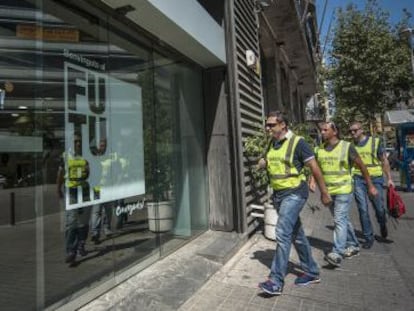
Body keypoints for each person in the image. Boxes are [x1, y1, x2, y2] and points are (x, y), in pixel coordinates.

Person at [258, 111, 332, 296]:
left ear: (283, 125)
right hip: (279, 194)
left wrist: (324, 192)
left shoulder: (298, 142)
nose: (268, 128)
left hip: (295, 194)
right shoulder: (272, 143)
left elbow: (314, 167)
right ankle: (312, 271)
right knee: (296, 234)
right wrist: (263, 161)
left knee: (282, 232)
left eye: (271, 125)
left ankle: (275, 280)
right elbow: (272, 159)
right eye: (267, 125)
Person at [313, 122, 377, 268]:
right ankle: (353, 245)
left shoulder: (347, 147)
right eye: (321, 130)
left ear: (334, 131)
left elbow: (362, 166)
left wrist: (370, 185)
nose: (322, 132)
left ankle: (337, 252)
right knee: (342, 219)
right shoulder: (319, 149)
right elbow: (316, 168)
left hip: (344, 189)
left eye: (325, 130)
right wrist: (312, 181)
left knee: (339, 219)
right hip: (328, 191)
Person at [349, 122, 394, 248]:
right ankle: (368, 237)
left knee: (379, 208)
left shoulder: (375, 142)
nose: (353, 133)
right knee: (362, 208)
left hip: (375, 178)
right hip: (358, 178)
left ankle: (382, 222)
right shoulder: (350, 146)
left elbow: (384, 160)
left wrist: (389, 178)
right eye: (350, 131)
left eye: (355, 130)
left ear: (362, 130)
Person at [57, 132, 91, 265]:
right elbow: (60, 173)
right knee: (71, 222)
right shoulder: (65, 156)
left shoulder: (87, 156)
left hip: (85, 192)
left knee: (83, 222)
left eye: (79, 141)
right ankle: (70, 251)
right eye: (75, 141)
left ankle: (81, 243)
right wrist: (57, 188)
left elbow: (90, 173)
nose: (78, 144)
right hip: (71, 192)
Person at [91, 138, 114, 244]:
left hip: (108, 189)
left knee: (108, 211)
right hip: (97, 189)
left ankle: (107, 228)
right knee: (97, 212)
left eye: (104, 145)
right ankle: (95, 233)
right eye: (101, 145)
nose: (102, 147)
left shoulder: (110, 158)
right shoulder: (95, 158)